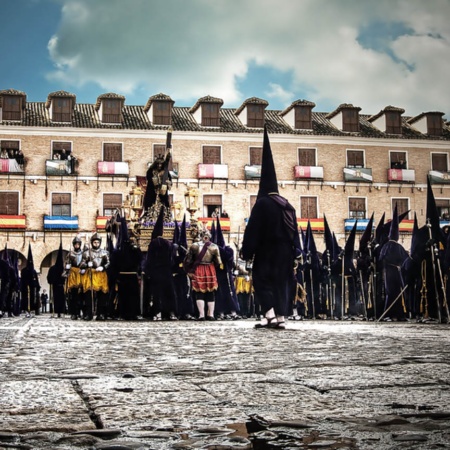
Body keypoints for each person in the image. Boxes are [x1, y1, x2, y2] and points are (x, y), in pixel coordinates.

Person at [241, 127, 301, 330]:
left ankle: (270, 315)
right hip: (286, 252)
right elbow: (295, 231)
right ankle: (280, 317)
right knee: (282, 284)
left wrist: (246, 251)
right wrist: (296, 252)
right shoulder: (287, 204)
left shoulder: (263, 203)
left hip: (267, 251)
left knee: (261, 280)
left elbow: (253, 231)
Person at [183, 226, 223, 320]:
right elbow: (218, 262)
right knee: (211, 292)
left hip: (198, 269)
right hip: (210, 269)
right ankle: (211, 315)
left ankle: (201, 315)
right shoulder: (214, 247)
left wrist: (189, 271)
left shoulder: (194, 246)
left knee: (199, 292)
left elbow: (188, 261)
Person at [80, 233, 110, 320]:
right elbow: (81, 264)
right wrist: (86, 264)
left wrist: (103, 267)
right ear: (92, 243)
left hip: (101, 274)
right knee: (89, 295)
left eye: (97, 242)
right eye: (94, 242)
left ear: (100, 243)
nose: (96, 244)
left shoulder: (105, 252)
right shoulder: (86, 253)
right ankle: (88, 314)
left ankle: (100, 313)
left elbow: (108, 263)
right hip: (90, 274)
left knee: (102, 295)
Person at [65, 235, 84, 319]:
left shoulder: (83, 253)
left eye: (78, 244)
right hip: (73, 274)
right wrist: (67, 267)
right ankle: (74, 313)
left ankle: (81, 312)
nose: (77, 246)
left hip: (81, 274)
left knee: (82, 295)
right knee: (73, 295)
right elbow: (66, 263)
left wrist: (84, 268)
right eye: (75, 244)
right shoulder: (70, 254)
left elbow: (85, 262)